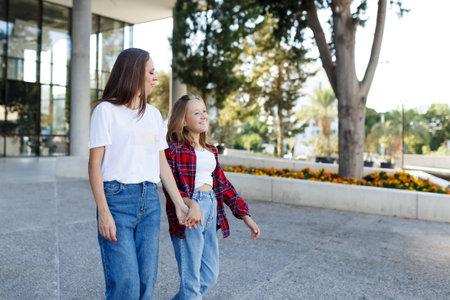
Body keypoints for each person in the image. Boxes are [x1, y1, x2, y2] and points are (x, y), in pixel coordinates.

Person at [88, 48, 200, 300]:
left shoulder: (153, 115)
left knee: (146, 283)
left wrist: (179, 204)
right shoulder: (105, 111)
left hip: (149, 202)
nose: (155, 78)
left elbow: (161, 164)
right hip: (116, 200)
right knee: (125, 283)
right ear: (134, 73)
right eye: (151, 72)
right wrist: (103, 212)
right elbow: (94, 164)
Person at [163, 94, 261, 300]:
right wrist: (190, 204)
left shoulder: (210, 151)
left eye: (204, 112)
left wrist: (245, 215)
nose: (203, 116)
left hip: (211, 209)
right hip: (189, 213)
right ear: (183, 121)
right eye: (196, 113)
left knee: (209, 276)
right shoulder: (174, 150)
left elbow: (223, 185)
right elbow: (169, 185)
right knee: (191, 283)